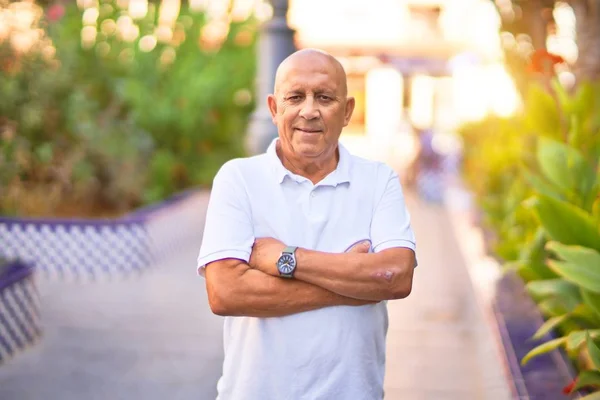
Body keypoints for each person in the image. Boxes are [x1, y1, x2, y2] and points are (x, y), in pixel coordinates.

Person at [196, 48, 417, 400]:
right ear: (274, 108)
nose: (309, 110)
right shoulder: (239, 178)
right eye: (295, 97)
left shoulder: (378, 180)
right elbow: (225, 292)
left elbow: (397, 276)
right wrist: (355, 283)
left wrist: (288, 258)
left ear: (346, 111)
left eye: (325, 97)